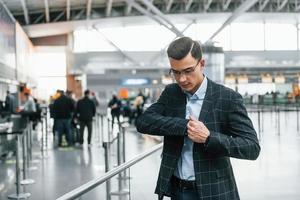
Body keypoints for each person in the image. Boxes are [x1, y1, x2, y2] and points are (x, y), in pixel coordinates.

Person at [136, 37, 260, 200]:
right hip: (177, 190)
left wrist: (209, 137)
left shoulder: (227, 98)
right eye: (176, 72)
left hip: (214, 191)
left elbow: (251, 147)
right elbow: (144, 122)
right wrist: (185, 126)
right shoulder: (172, 93)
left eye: (188, 71)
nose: (181, 79)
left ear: (201, 64)